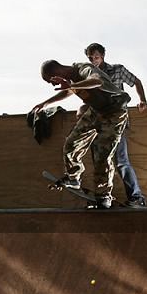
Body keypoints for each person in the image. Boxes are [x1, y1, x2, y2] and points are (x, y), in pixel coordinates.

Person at [31, 59, 130, 209]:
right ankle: (73, 177)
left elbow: (97, 82)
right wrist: (45, 103)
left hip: (114, 111)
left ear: (55, 73)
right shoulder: (71, 80)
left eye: (50, 81)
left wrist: (73, 85)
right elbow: (68, 91)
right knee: (72, 143)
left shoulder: (84, 69)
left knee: (102, 155)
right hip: (96, 111)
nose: (53, 85)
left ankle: (103, 196)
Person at [85, 42, 147, 207]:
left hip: (117, 123)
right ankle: (103, 197)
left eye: (96, 57)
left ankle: (137, 197)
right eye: (90, 58)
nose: (94, 61)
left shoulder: (117, 70)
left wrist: (142, 99)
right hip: (99, 123)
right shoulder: (89, 76)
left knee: (121, 160)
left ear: (103, 56)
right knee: (100, 161)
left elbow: (136, 81)